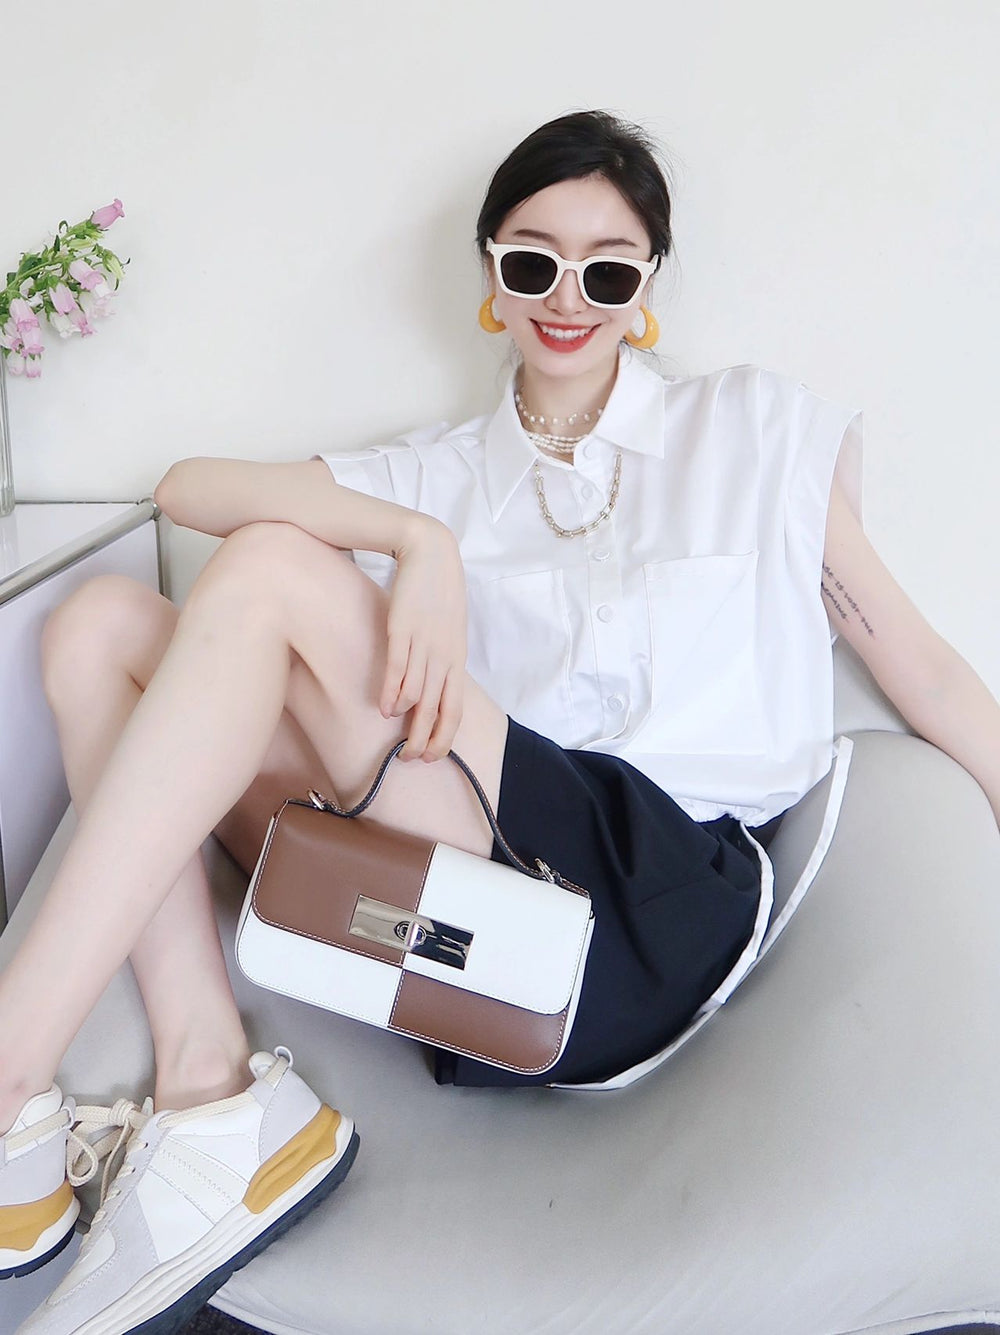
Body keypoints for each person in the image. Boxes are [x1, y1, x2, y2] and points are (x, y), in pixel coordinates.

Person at [2, 108, 999, 1334]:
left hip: (642, 913)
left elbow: (930, 673)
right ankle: (208, 1091)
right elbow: (184, 489)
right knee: (96, 624)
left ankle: (5, 1073)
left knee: (264, 572)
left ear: (646, 289)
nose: (564, 296)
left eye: (606, 268)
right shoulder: (442, 473)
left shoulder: (750, 430)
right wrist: (416, 542)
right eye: (531, 261)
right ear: (490, 277)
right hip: (459, 927)